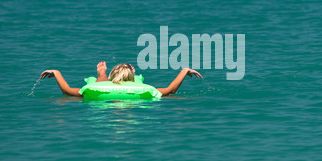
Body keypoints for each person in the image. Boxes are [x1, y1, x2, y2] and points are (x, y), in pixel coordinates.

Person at [40, 61, 203, 97]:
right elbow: (170, 90)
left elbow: (66, 91)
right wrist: (184, 71)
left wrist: (56, 72)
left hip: (105, 91)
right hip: (133, 95)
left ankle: (101, 73)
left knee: (101, 82)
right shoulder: (143, 88)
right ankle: (124, 72)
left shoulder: (99, 87)